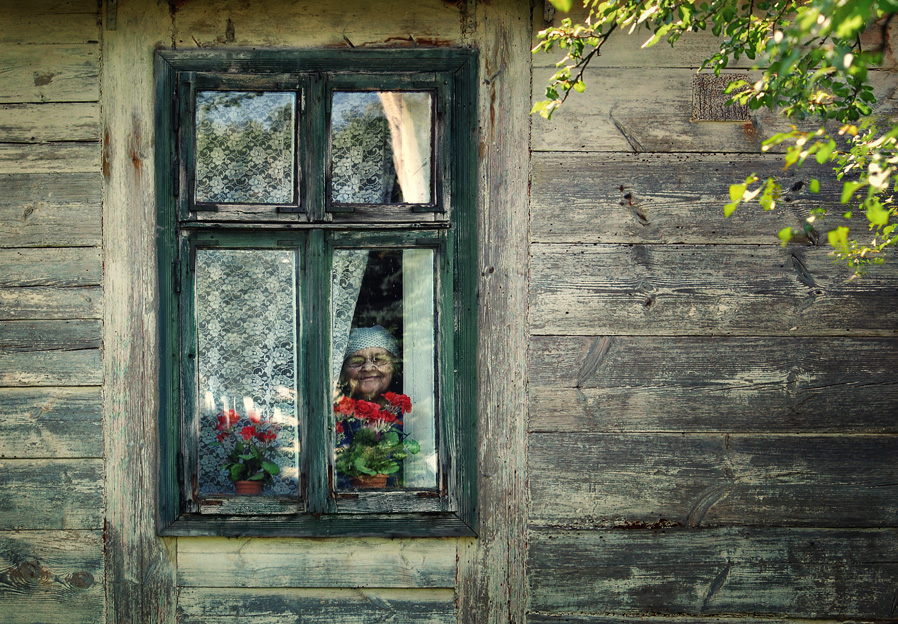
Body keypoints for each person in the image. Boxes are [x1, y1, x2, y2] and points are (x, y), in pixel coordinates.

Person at [338, 325, 400, 403]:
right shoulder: (333, 411)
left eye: (378, 359)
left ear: (394, 367)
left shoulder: (411, 413)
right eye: (357, 361)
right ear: (343, 370)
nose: (368, 368)